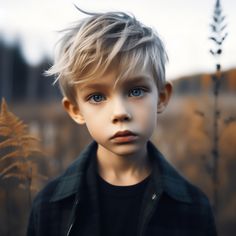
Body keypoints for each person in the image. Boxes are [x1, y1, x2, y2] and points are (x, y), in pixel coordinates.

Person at [27, 8, 217, 236]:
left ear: (162, 97)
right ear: (76, 110)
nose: (120, 113)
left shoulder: (193, 208)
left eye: (136, 91)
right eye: (97, 97)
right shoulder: (49, 206)